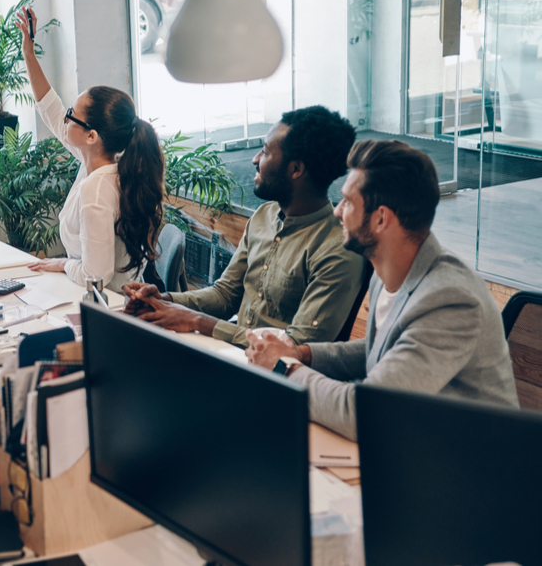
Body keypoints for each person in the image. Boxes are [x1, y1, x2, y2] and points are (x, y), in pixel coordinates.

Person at [245, 139, 519, 438]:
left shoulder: (451, 299)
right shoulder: (387, 268)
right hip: (412, 448)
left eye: (348, 202)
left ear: (380, 218)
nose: (337, 212)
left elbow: (367, 413)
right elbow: (383, 348)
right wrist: (301, 353)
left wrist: (284, 367)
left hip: (469, 473)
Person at [123, 106, 365, 347]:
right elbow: (225, 294)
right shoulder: (263, 216)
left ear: (296, 169)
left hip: (279, 377)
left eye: (266, 151)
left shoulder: (338, 249)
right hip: (231, 355)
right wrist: (164, 299)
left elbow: (299, 343)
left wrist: (196, 321)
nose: (255, 159)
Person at [14, 8, 166, 294]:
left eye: (72, 113)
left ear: (92, 136)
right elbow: (50, 109)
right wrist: (29, 54)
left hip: (113, 308)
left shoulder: (97, 187)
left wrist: (63, 265)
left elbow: (96, 275)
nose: (66, 117)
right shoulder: (104, 163)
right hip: (110, 301)